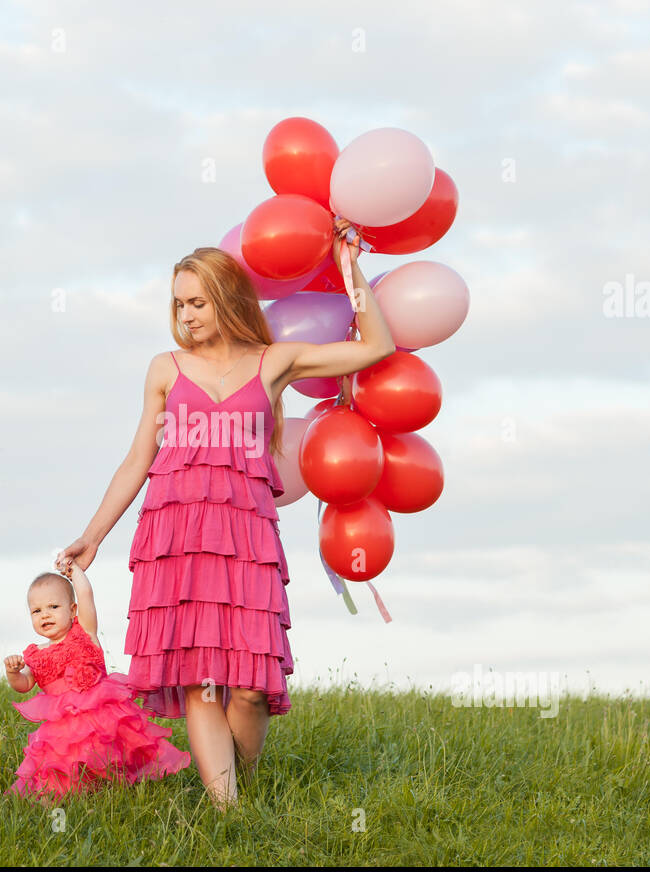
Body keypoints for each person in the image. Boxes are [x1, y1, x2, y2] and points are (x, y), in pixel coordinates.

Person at [58, 215, 396, 809]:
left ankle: (241, 779)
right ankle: (229, 813)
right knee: (200, 682)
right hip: (175, 534)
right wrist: (93, 536)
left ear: (226, 300)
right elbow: (138, 458)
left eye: (197, 302)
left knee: (249, 691)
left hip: (245, 537)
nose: (185, 315)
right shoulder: (166, 369)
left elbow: (376, 346)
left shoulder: (275, 361)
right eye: (178, 304)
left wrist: (350, 264)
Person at [4, 558, 190, 802]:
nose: (45, 615)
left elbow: (85, 594)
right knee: (61, 768)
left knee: (111, 761)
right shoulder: (37, 654)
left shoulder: (85, 633)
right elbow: (24, 685)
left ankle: (118, 794)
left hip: (103, 721)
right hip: (62, 731)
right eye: (37, 611)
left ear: (72, 610)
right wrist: (13, 673)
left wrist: (74, 571)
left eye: (53, 607)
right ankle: (65, 798)